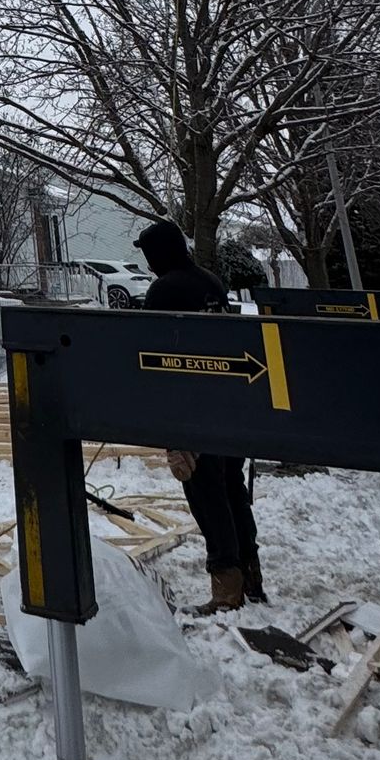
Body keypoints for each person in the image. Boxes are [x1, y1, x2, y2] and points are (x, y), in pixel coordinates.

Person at [135, 217, 265, 613]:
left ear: (160, 253)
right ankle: (251, 575)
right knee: (232, 491)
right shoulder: (211, 281)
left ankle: (227, 588)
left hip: (192, 410)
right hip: (229, 404)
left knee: (207, 495)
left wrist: (163, 419)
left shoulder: (165, 289)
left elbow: (153, 354)